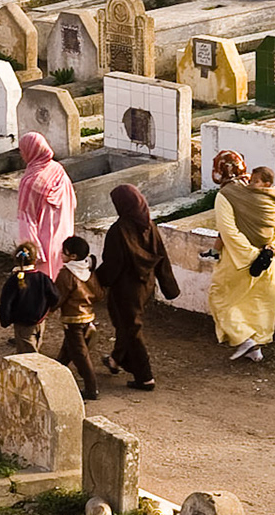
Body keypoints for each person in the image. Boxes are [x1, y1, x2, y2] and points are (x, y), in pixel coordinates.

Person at [96, 184, 179, 391]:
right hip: (146, 285)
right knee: (125, 324)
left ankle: (145, 377)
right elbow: (161, 256)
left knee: (131, 328)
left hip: (125, 288)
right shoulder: (149, 225)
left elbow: (113, 263)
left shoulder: (119, 230)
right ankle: (115, 359)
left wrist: (96, 279)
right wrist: (169, 286)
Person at [211, 151, 275, 363]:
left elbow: (228, 231)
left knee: (221, 298)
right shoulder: (270, 193)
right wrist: (271, 250)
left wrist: (250, 256)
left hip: (239, 261)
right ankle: (255, 349)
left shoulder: (226, 195)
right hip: (269, 258)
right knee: (258, 305)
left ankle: (245, 341)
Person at [16, 131, 77, 279]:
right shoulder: (58, 170)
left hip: (42, 240)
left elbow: (26, 219)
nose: (21, 154)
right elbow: (72, 202)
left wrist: (32, 251)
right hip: (64, 234)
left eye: (22, 150)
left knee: (42, 283)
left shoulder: (30, 181)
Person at [55, 235, 103, 401]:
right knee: (67, 352)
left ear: (72, 256)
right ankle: (55, 374)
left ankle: (92, 389)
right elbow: (99, 294)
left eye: (64, 252)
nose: (61, 255)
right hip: (87, 317)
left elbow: (58, 297)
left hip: (72, 320)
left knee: (80, 355)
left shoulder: (66, 274)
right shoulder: (89, 272)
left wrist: (46, 310)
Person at [0, 240, 60, 352]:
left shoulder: (13, 281)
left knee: (27, 355)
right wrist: (48, 310)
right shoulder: (43, 278)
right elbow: (55, 296)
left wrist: (5, 320)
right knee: (35, 345)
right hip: (40, 321)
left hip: (22, 324)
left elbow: (5, 303)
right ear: (35, 259)